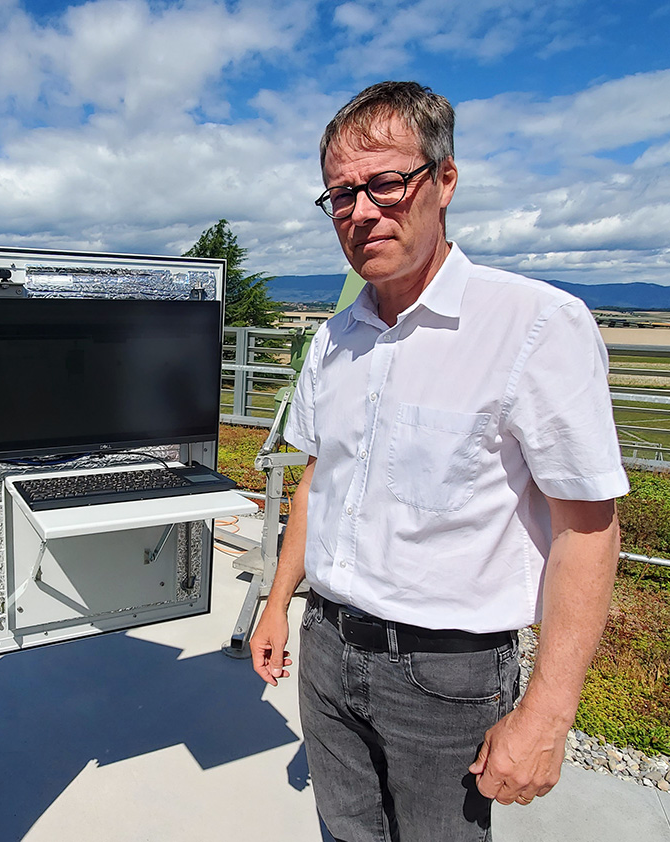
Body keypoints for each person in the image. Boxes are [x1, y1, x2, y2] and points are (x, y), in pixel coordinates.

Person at [248, 80, 627, 841]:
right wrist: (278, 601)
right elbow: (319, 480)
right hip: (326, 653)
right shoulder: (335, 340)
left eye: (386, 182)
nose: (361, 211)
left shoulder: (535, 325)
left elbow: (587, 526)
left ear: (445, 179)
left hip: (445, 679)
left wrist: (549, 714)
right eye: (340, 194)